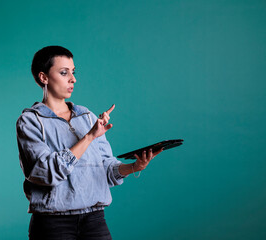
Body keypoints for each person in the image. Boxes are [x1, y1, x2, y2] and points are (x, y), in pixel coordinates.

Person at [16, 45, 163, 240]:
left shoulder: (87, 116)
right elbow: (46, 173)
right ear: (43, 77)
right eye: (63, 72)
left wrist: (134, 166)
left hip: (94, 221)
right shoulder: (31, 121)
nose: (73, 79)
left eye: (73, 72)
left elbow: (105, 169)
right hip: (53, 224)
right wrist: (89, 137)